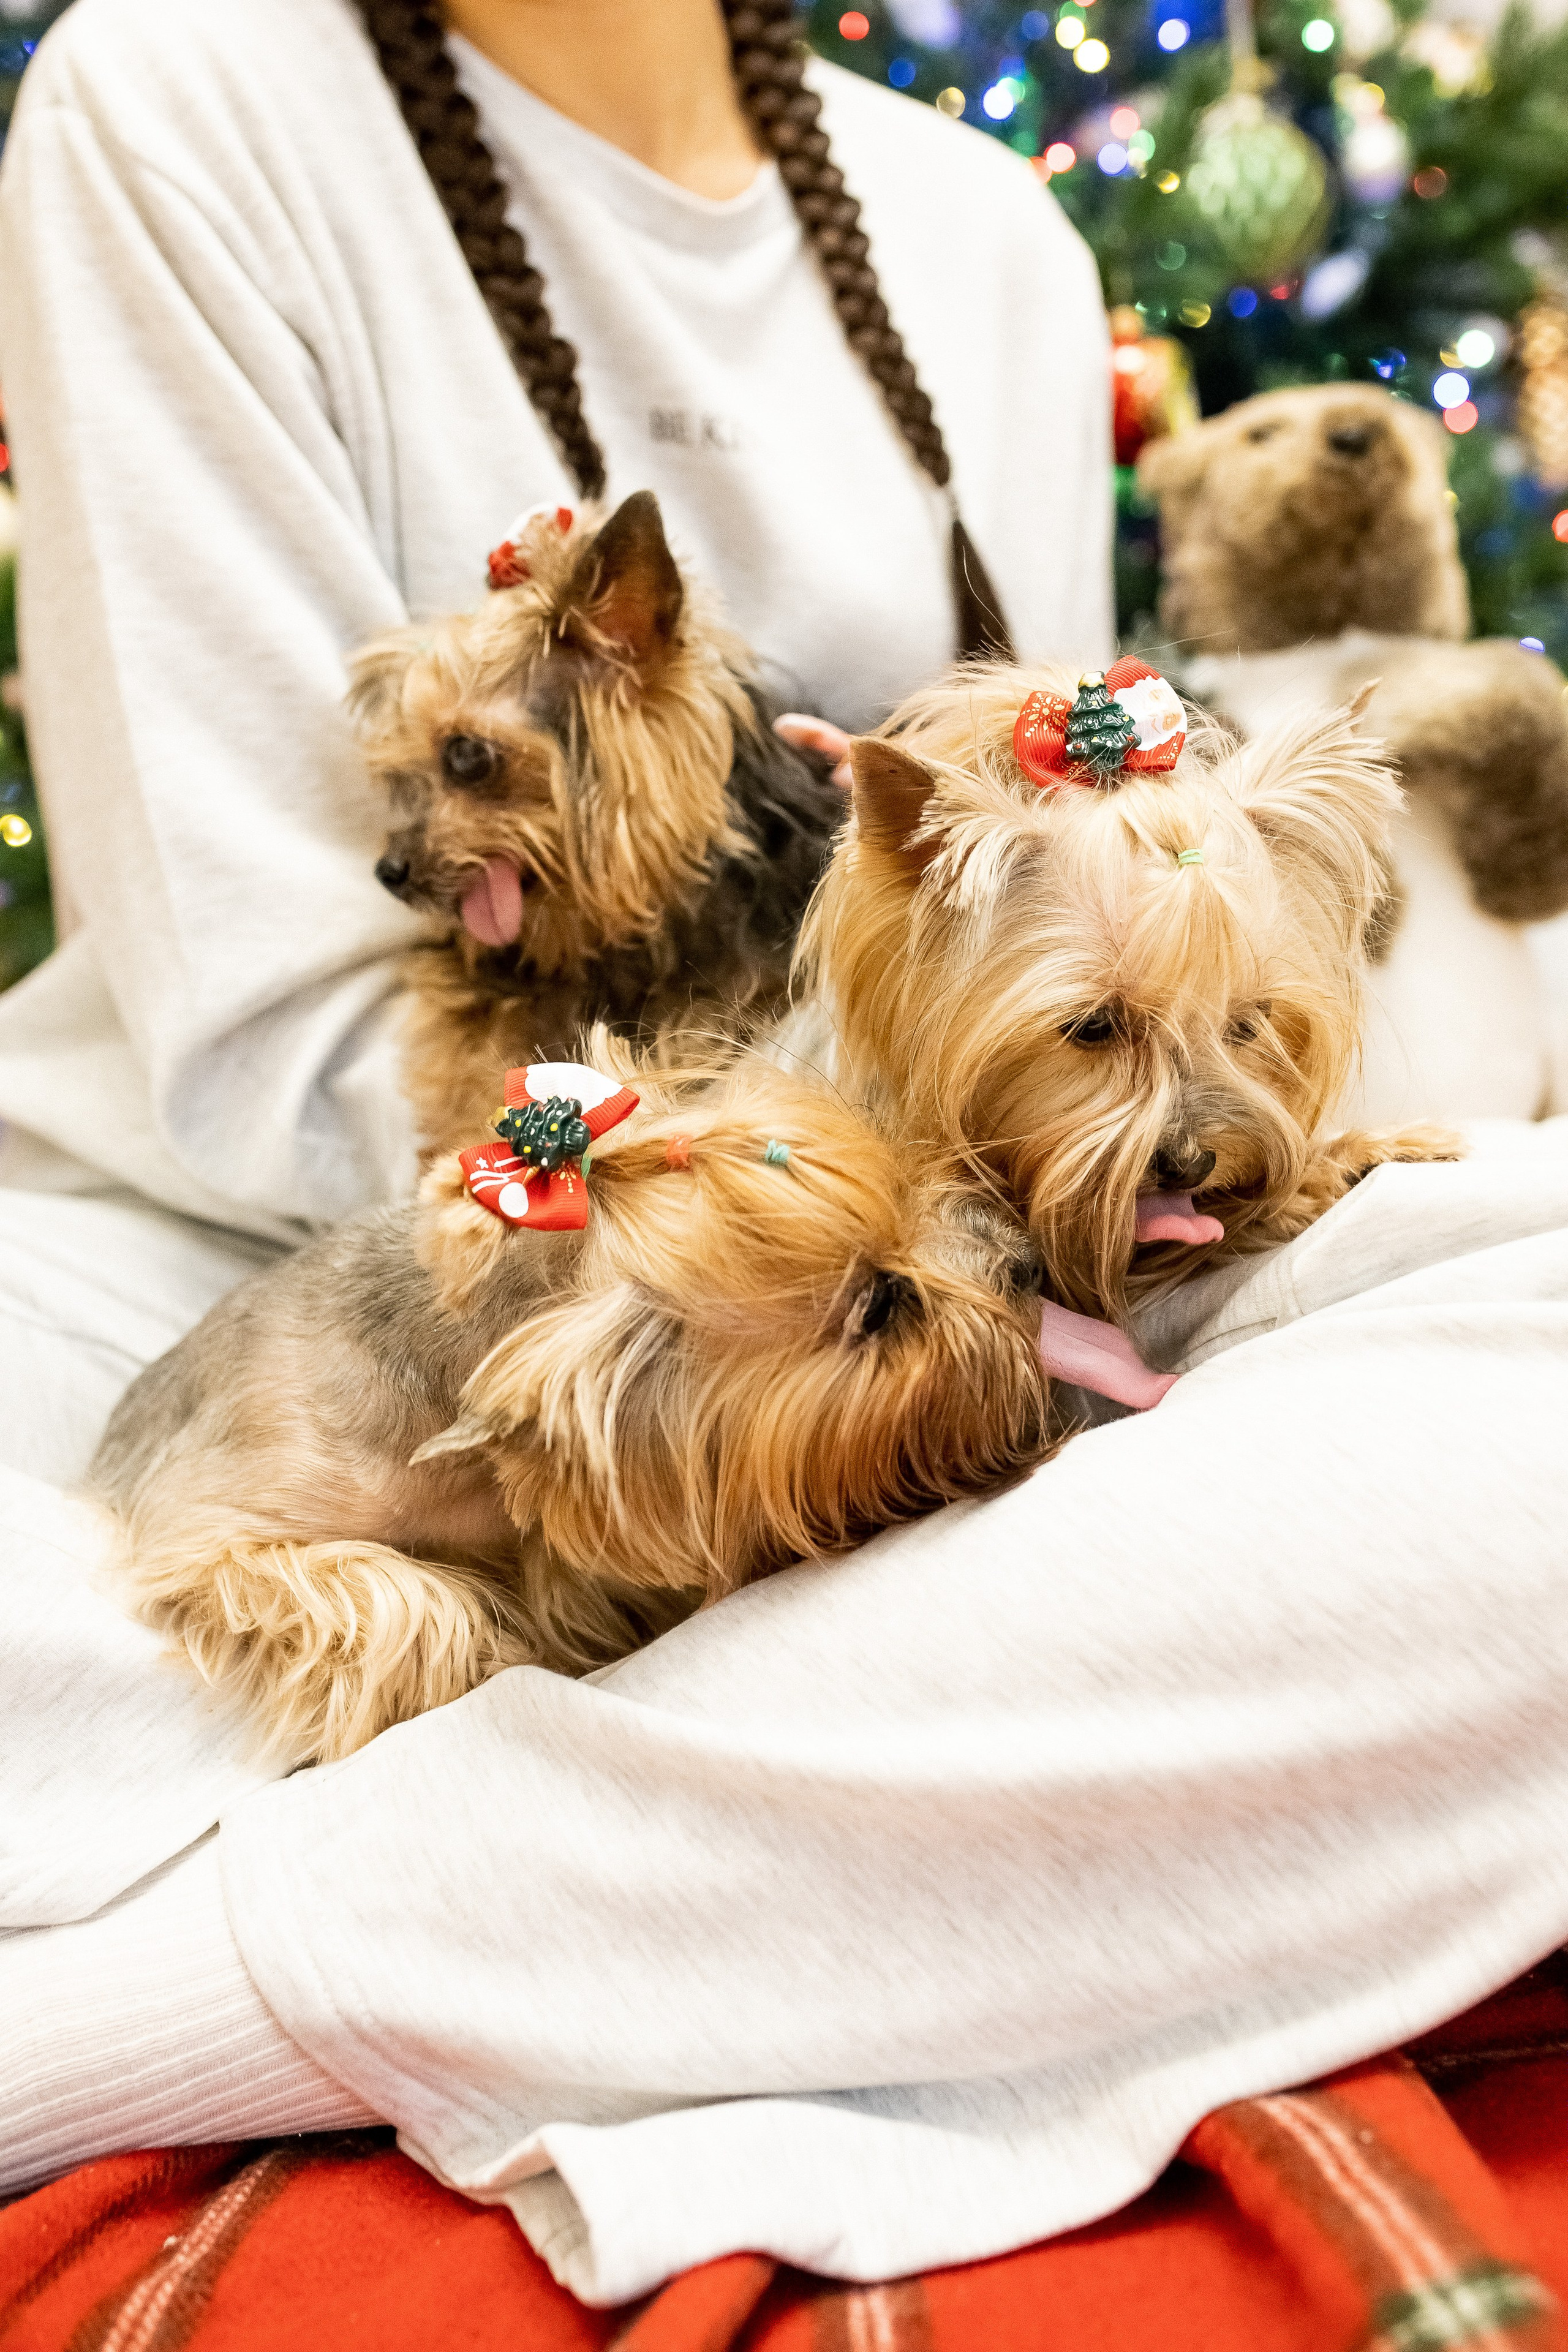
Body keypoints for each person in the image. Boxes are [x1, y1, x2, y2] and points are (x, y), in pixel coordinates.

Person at [0, 0, 1112, 1482]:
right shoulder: (170, 99)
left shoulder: (988, 233)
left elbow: (1085, 875)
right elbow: (272, 1047)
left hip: (931, 1243)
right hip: (274, 1264)